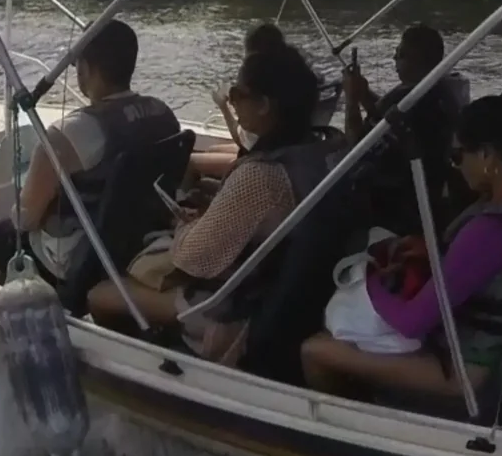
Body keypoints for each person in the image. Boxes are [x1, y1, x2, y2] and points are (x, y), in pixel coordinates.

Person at [88, 24, 331, 360]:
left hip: (234, 313)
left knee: (101, 293)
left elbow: (193, 259)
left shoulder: (261, 176)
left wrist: (185, 224)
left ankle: (148, 371)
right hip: (285, 293)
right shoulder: (319, 151)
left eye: (237, 93)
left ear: (264, 105)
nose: (231, 99)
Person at [299, 88, 502, 401]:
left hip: (466, 369)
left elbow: (411, 322)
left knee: (315, 349)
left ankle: (356, 425)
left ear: (488, 156)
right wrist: (437, 252)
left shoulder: (492, 230)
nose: (456, 167)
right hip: (495, 346)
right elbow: (486, 268)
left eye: (458, 156)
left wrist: (368, 280)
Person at [0, 18, 180, 288]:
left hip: (76, 259)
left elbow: (24, 220)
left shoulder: (65, 136)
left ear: (85, 69)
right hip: (136, 242)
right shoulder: (164, 115)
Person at [342, 21, 462, 229]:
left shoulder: (411, 99)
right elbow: (384, 118)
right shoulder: (436, 91)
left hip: (395, 204)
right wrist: (362, 93)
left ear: (419, 60)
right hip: (427, 190)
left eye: (401, 54)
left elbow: (356, 148)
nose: (394, 58)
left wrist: (351, 100)